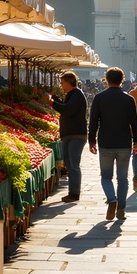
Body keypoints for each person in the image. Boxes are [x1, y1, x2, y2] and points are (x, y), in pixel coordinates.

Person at [88, 67, 137, 221]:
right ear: (122, 80)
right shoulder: (129, 99)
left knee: (106, 176)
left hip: (106, 142)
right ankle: (121, 209)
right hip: (124, 143)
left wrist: (91, 140)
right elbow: (135, 123)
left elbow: (93, 122)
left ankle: (112, 199)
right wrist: (136, 141)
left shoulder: (99, 98)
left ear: (106, 79)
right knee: (122, 178)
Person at [51, 71, 88, 203]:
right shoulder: (71, 95)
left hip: (76, 135)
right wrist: (54, 99)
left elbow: (68, 110)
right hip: (68, 135)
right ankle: (72, 192)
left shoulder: (77, 94)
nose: (61, 85)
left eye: (62, 82)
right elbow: (66, 107)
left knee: (73, 165)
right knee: (68, 163)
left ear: (69, 82)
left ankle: (74, 193)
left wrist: (53, 103)